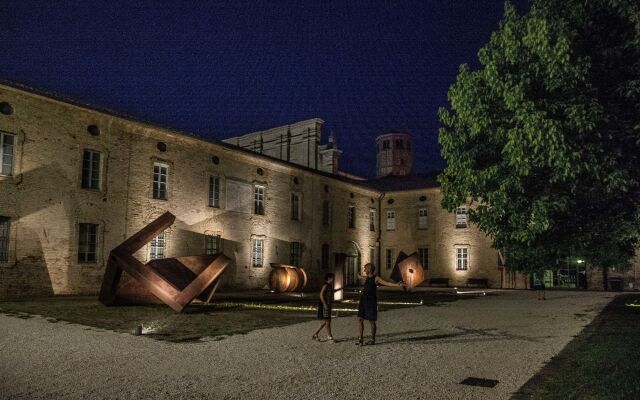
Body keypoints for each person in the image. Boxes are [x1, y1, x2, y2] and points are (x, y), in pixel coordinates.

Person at [356, 263, 405, 346]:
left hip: (371, 302)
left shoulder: (376, 278)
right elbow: (359, 277)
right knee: (360, 319)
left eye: (365, 268)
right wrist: (358, 275)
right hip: (363, 301)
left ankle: (372, 339)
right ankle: (360, 339)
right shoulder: (366, 278)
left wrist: (397, 284)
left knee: (372, 321)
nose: (364, 270)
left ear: (369, 269)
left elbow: (387, 283)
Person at [313, 273, 338, 342]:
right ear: (329, 278)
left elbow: (331, 292)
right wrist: (324, 304)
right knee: (327, 321)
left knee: (325, 322)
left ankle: (316, 334)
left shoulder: (329, 285)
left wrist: (339, 289)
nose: (333, 279)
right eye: (332, 278)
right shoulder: (325, 285)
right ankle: (330, 336)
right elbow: (321, 295)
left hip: (328, 305)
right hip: (325, 305)